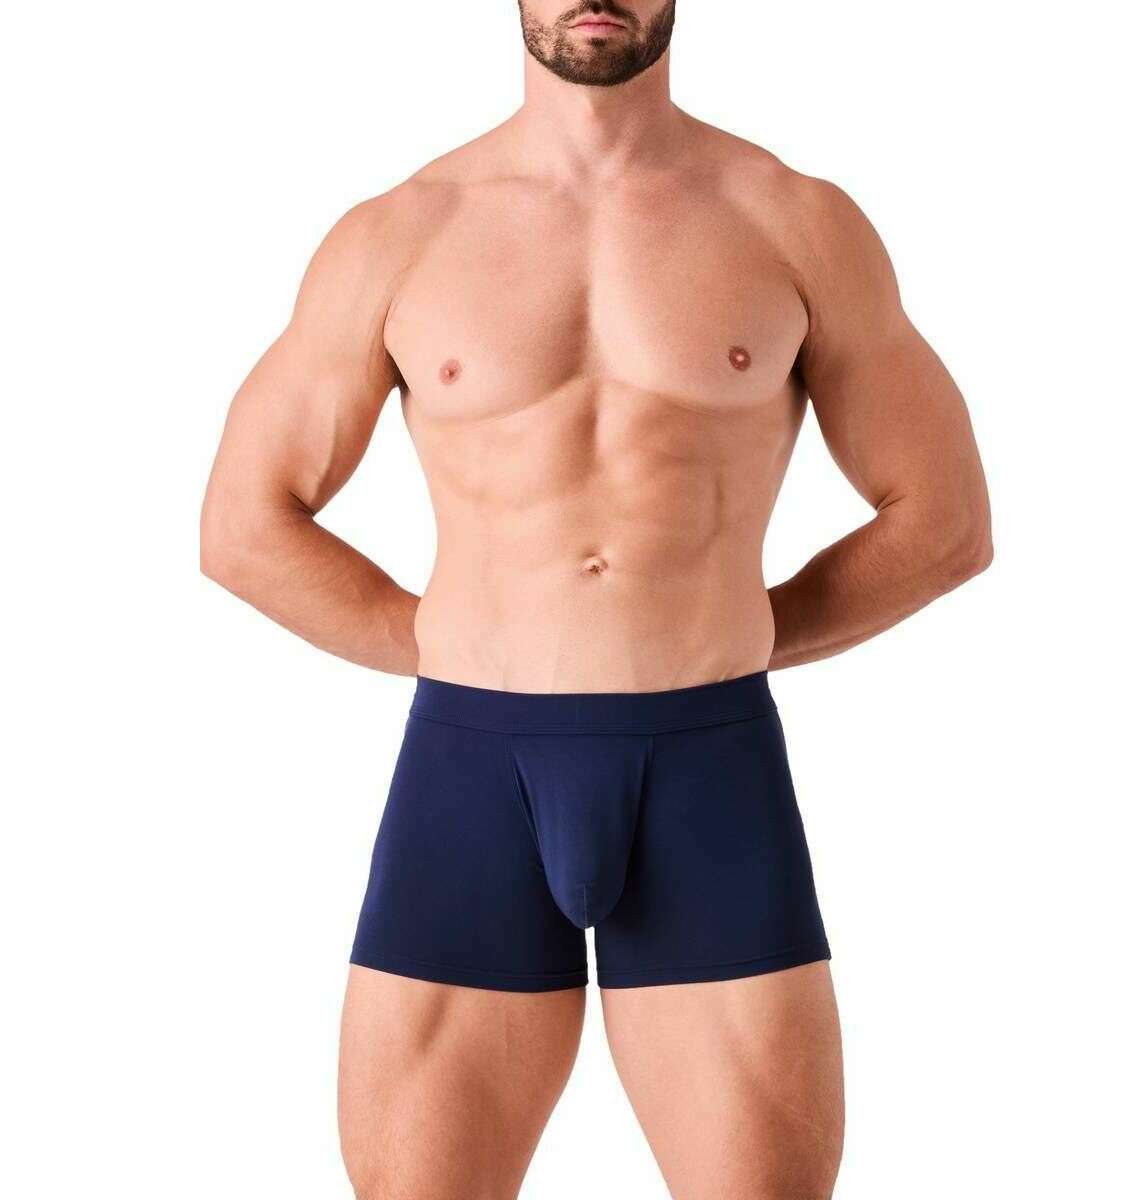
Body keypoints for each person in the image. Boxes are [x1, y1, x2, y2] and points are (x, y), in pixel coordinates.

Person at [200, 2, 992, 1196]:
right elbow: (244, 526)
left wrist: (738, 632)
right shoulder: (399, 233)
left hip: (708, 764)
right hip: (473, 771)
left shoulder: (795, 221)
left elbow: (944, 521)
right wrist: (441, 643)